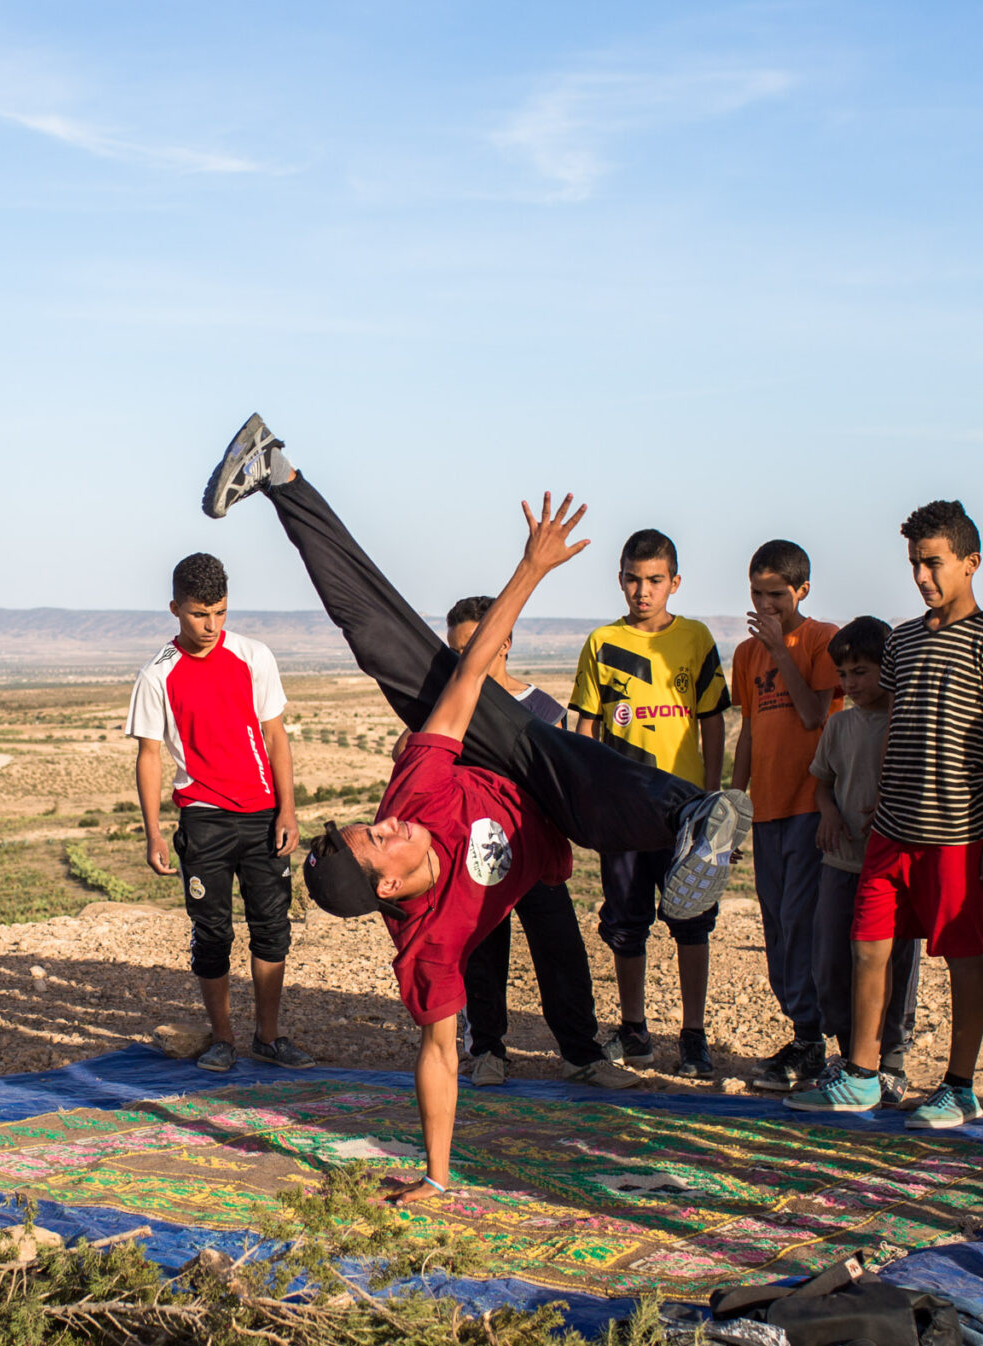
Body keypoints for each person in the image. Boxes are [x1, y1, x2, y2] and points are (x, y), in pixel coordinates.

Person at [200, 415, 743, 1204]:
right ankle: (681, 820)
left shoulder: (415, 793)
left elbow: (470, 670)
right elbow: (436, 1054)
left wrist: (530, 569)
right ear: (388, 886)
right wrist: (436, 1175)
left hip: (509, 757)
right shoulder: (425, 949)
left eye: (370, 822)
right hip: (549, 826)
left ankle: (279, 475)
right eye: (378, 839)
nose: (387, 820)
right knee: (586, 814)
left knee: (386, 644)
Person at [789, 500, 983, 1126]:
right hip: (890, 830)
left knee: (962, 955)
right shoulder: (903, 641)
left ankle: (960, 1085)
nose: (922, 576)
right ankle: (862, 1075)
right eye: (915, 563)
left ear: (971, 563)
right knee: (868, 948)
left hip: (957, 832)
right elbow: (891, 723)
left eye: (934, 562)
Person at [127, 551, 313, 1074]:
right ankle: (223, 1039)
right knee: (212, 933)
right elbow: (148, 756)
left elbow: (275, 736)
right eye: (199, 614)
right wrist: (153, 833)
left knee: (271, 927)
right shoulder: (156, 674)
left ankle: (269, 1038)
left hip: (262, 816)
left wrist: (288, 810)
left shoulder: (254, 656)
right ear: (175, 609)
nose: (211, 626)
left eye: (220, 613)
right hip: (203, 818)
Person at [568, 530, 730, 1079]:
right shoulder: (602, 642)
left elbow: (712, 722)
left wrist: (712, 800)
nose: (643, 591)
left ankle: (693, 1036)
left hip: (686, 811)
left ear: (674, 582)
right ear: (620, 580)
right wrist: (590, 797)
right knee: (625, 922)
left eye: (655, 580)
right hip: (623, 810)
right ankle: (634, 1031)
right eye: (634, 580)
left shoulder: (696, 638)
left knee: (693, 920)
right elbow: (587, 727)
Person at [442, 596, 611, 1089]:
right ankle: (486, 1051)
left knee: (561, 951)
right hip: (478, 853)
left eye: (472, 647)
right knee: (482, 954)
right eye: (456, 651)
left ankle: (582, 1055)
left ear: (505, 642)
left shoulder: (543, 709)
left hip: (535, 849)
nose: (464, 658)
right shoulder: (451, 703)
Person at [730, 540, 838, 1089]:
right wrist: (733, 804)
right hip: (767, 809)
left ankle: (813, 1038)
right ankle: (802, 1034)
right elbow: (749, 732)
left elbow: (815, 712)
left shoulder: (822, 640)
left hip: (809, 805)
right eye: (757, 593)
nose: (765, 604)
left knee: (801, 921)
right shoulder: (746, 654)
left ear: (802, 591)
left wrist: (782, 650)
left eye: (776, 594)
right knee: (775, 922)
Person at [800, 615, 920, 1101]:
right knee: (831, 962)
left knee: (894, 964)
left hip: (892, 866)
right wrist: (828, 813)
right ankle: (852, 1057)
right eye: (843, 674)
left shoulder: (905, 724)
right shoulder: (839, 725)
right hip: (842, 863)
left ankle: (890, 1061)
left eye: (861, 672)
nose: (850, 684)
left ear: (888, 669)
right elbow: (822, 784)